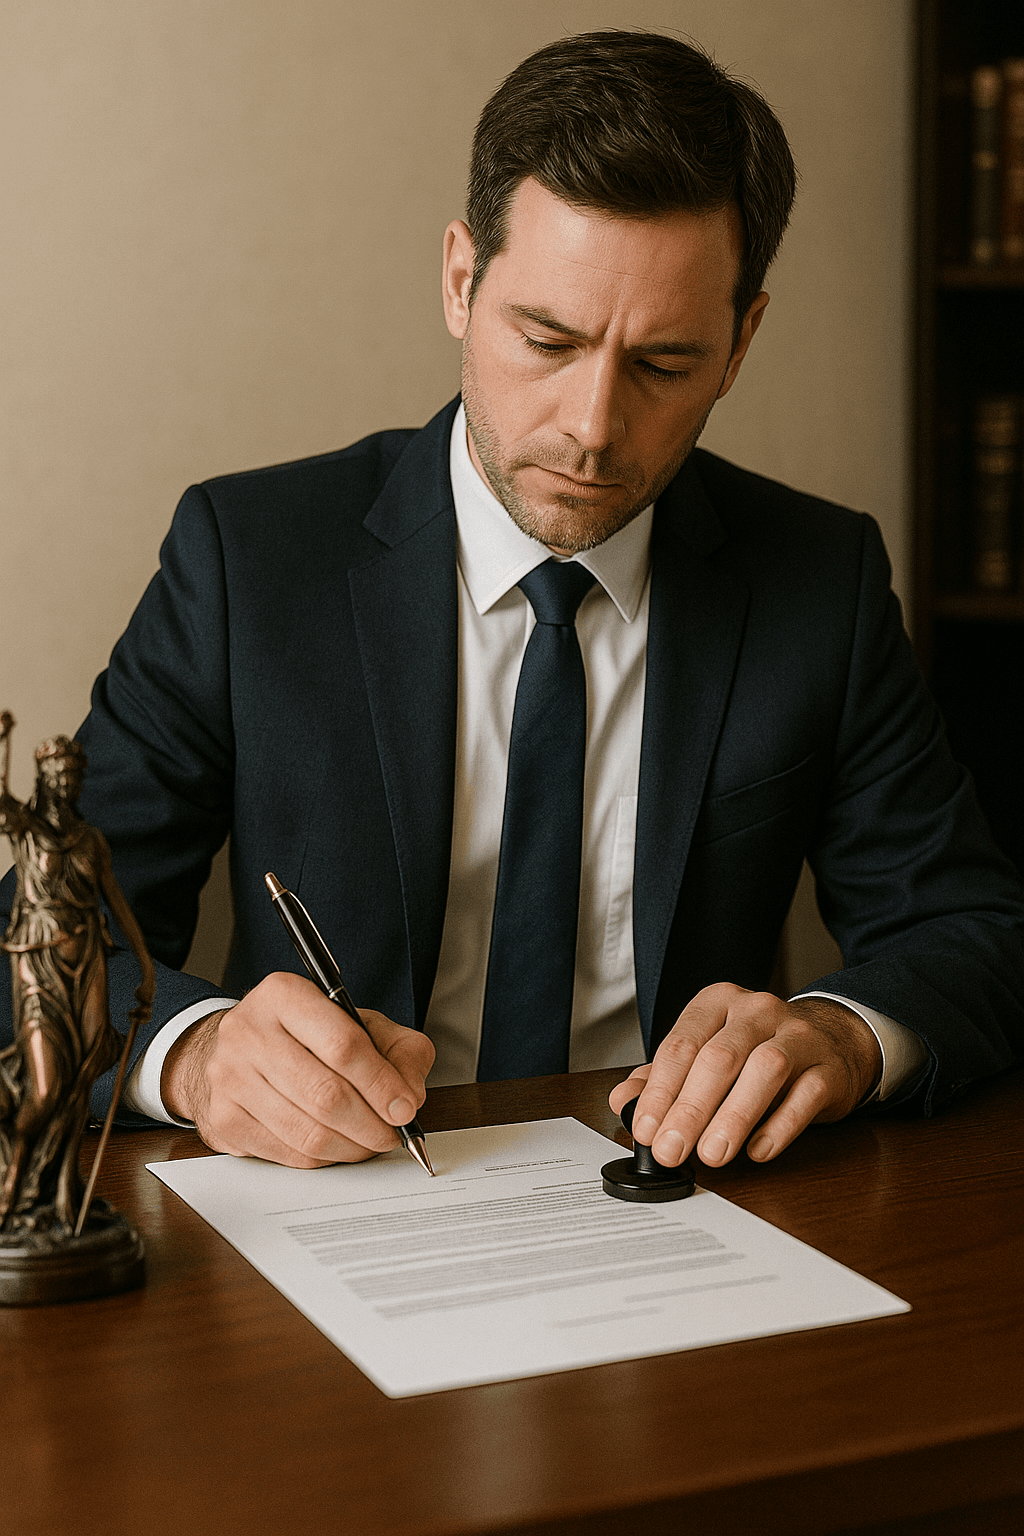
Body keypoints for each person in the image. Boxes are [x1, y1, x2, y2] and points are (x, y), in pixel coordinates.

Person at [1, 32, 1021, 1177]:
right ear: (458, 279)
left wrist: (837, 1034)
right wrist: (193, 1057)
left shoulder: (817, 579)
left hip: (677, 1217)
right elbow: (32, 942)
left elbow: (971, 932)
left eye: (665, 364)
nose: (592, 425)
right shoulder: (247, 559)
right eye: (548, 339)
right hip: (323, 1226)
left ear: (740, 343)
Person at [0, 716, 154, 1227]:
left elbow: (120, 907)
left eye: (73, 776)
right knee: (44, 1088)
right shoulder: (28, 829)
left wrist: (147, 967)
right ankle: (14, 1179)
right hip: (38, 966)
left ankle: (62, 1190)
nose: (66, 784)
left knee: (86, 1073)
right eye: (57, 775)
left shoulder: (91, 840)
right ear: (42, 778)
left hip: (89, 962)